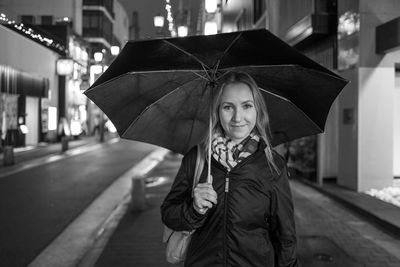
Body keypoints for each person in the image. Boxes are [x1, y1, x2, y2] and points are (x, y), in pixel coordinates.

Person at [161, 71, 301, 267]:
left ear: (258, 111)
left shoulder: (272, 164)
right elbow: (168, 213)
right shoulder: (198, 158)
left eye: (246, 106)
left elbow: (285, 237)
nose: (237, 117)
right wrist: (194, 210)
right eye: (228, 107)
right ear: (217, 111)